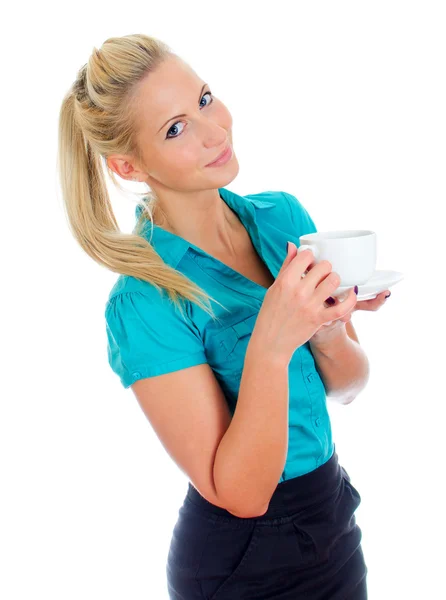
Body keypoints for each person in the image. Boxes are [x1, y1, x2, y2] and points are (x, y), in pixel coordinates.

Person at [57, 33, 369, 599]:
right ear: (128, 164)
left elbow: (349, 386)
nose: (215, 130)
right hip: (244, 563)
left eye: (204, 99)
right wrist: (272, 343)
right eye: (175, 129)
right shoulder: (144, 303)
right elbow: (243, 494)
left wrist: (324, 328)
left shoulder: (283, 219)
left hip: (333, 521)